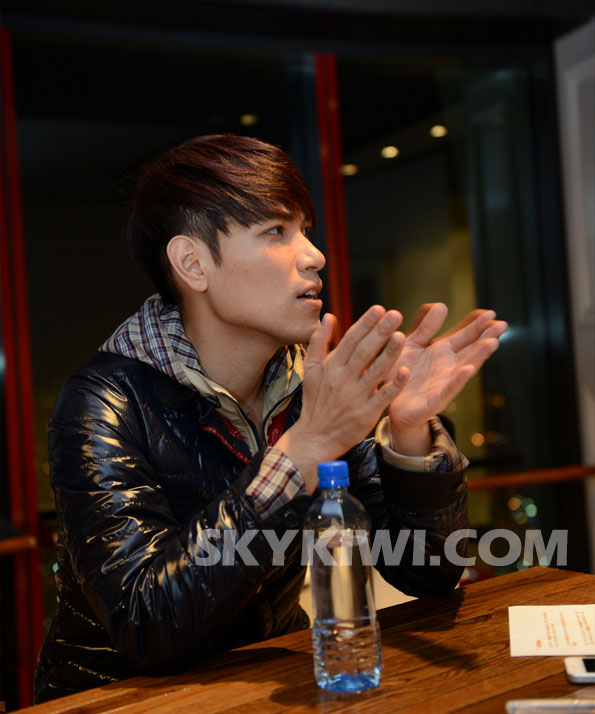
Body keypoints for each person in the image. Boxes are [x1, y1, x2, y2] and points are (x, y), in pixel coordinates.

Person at [34, 134, 507, 702]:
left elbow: (427, 572)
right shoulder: (103, 402)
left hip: (275, 683)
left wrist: (408, 431)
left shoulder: (309, 385)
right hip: (120, 699)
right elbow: (147, 625)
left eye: (304, 229)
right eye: (276, 232)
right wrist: (301, 451)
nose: (314, 255)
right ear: (192, 263)